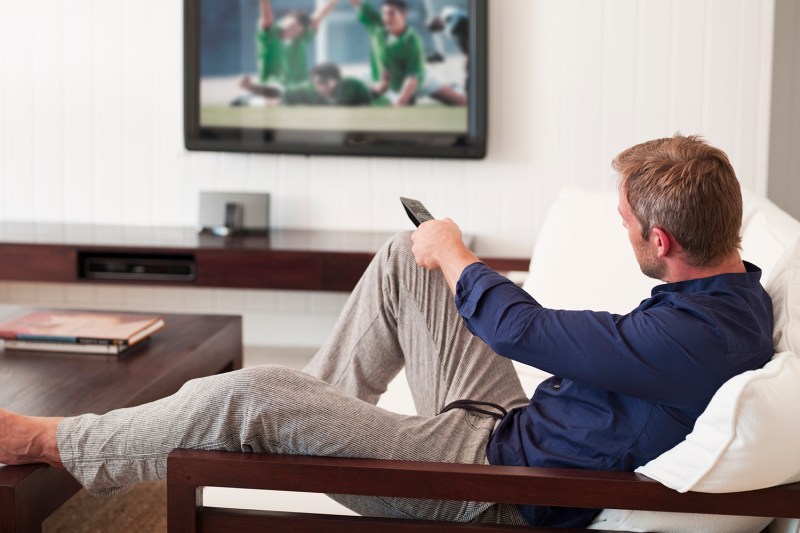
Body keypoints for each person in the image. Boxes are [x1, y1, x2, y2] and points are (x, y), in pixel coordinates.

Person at [0, 135, 773, 528]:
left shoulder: (695, 339)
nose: (624, 230)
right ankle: (295, 431)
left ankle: (51, 442)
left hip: (492, 488)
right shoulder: (735, 292)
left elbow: (526, 330)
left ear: (663, 242)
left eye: (628, 224)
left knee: (253, 391)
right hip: (512, 432)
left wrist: (461, 252)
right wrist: (441, 257)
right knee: (409, 262)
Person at [347, 0, 467, 106]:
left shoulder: (412, 40)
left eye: (391, 13)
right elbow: (359, 3)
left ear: (404, 14)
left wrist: (401, 102)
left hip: (417, 82)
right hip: (386, 84)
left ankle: (455, 89)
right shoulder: (377, 24)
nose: (387, 18)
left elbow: (412, 78)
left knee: (462, 103)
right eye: (384, 13)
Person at [255, 0, 340, 88]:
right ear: (284, 19)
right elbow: (267, 18)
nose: (291, 30)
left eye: (295, 30)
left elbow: (318, 16)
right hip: (273, 88)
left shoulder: (301, 39)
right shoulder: (270, 35)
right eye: (291, 25)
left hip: (298, 90)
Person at [242, 63, 377, 106]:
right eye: (318, 83)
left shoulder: (354, 86)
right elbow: (280, 92)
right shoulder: (309, 89)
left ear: (337, 79)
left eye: (325, 82)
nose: (321, 87)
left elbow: (371, 103)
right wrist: (253, 87)